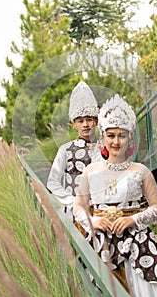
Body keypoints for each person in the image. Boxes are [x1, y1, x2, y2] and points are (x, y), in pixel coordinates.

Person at [73, 94, 157, 296]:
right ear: (103, 136)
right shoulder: (90, 171)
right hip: (100, 243)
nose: (116, 141)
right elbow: (78, 206)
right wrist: (93, 222)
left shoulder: (140, 171)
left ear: (130, 136)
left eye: (121, 135)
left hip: (138, 241)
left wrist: (133, 218)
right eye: (111, 135)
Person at [46, 81, 101, 218]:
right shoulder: (66, 150)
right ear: (74, 124)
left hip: (103, 212)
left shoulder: (106, 148)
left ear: (96, 121)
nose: (86, 125)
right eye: (80, 121)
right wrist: (73, 202)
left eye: (89, 119)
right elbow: (52, 182)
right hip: (76, 213)